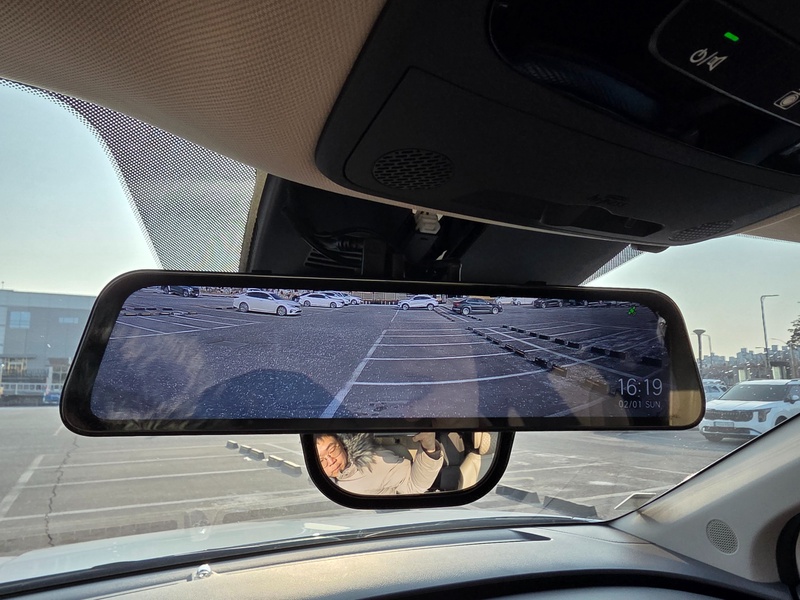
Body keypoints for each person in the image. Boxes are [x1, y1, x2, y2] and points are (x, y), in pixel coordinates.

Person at [314, 432, 443, 495]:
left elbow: (413, 487)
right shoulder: (319, 489)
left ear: (341, 443)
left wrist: (429, 447)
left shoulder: (372, 462)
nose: (331, 461)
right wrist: (429, 448)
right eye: (321, 460)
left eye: (332, 450)